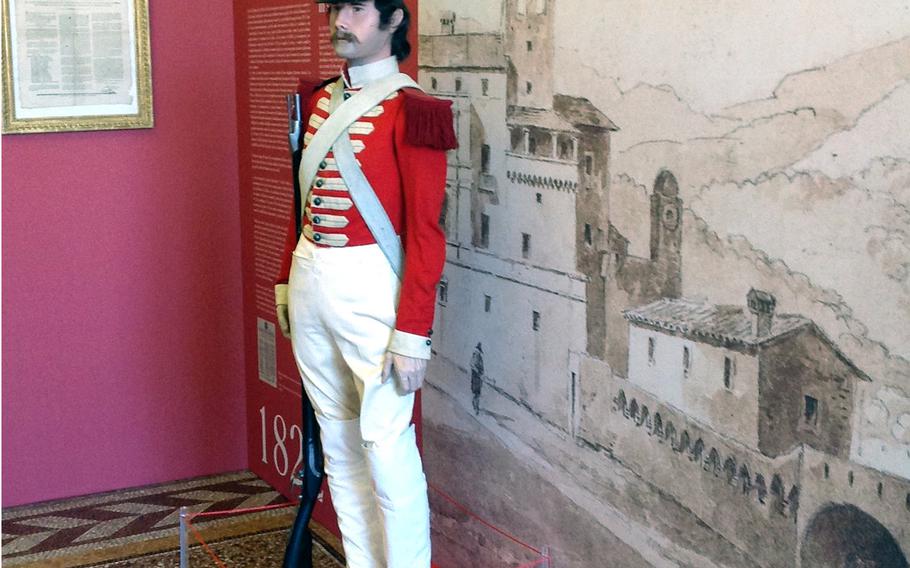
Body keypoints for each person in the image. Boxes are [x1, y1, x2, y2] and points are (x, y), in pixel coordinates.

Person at [273, 1, 456, 566]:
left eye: (356, 8)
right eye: (336, 7)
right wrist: (286, 281)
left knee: (386, 446)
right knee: (340, 443)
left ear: (394, 20)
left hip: (372, 288)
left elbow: (426, 233)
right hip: (311, 282)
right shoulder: (318, 100)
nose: (339, 21)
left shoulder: (414, 110)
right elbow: (301, 204)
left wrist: (412, 335)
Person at [471, 343, 484, 415]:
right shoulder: (476, 355)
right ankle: (476, 408)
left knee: (477, 393)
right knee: (476, 393)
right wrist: (478, 371)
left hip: (478, 378)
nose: (479, 351)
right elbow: (472, 364)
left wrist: (481, 374)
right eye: (479, 350)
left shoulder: (479, 357)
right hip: (476, 377)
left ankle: (476, 406)